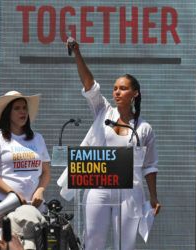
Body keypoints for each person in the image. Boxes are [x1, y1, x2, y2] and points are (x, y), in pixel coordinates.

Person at [67, 40, 161, 250]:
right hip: (99, 186)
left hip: (130, 191)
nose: (117, 92)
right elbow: (90, 85)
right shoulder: (103, 112)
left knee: (125, 245)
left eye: (123, 89)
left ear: (135, 93)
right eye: (115, 89)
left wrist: (153, 196)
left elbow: (150, 166)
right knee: (93, 242)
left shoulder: (144, 128)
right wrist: (77, 53)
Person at [0, 91, 51, 210]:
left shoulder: (38, 138)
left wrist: (40, 191)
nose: (22, 111)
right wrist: (13, 193)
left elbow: (46, 172)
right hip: (2, 203)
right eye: (17, 108)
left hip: (33, 205)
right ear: (7, 113)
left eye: (24, 108)